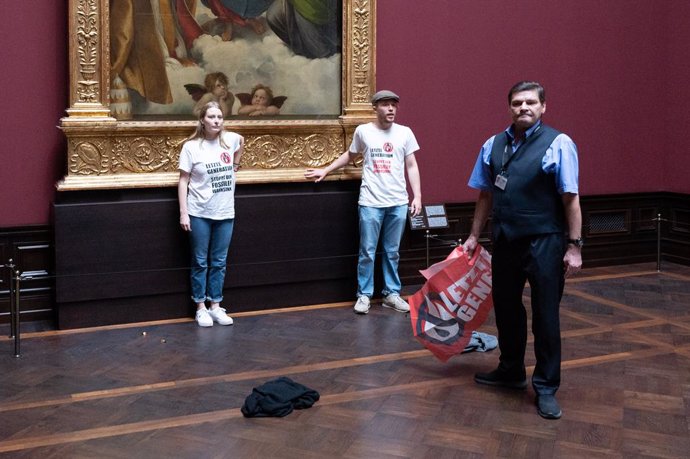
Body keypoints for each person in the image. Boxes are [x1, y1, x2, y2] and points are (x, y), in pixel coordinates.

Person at [462, 81, 582, 419]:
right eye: (517, 102)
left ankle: (546, 386)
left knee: (546, 316)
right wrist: (474, 235)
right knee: (507, 310)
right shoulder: (492, 144)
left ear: (544, 106)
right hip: (506, 241)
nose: (523, 107)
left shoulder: (558, 143)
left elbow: (570, 198)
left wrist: (574, 246)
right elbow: (485, 194)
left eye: (531, 102)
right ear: (509, 107)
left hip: (545, 241)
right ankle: (511, 371)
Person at [305, 90, 422, 315]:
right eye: (386, 105)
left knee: (392, 251)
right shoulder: (364, 131)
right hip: (370, 201)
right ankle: (364, 294)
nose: (391, 109)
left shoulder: (405, 133)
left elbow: (411, 165)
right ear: (375, 108)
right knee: (367, 251)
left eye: (394, 105)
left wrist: (417, 196)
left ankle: (391, 294)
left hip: (397, 201)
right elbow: (350, 155)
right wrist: (326, 170)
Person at [178, 101, 244, 327]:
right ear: (202, 121)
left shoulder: (231, 140)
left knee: (219, 261)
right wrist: (183, 213)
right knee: (200, 261)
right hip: (199, 212)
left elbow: (241, 143)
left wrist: (235, 166)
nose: (216, 120)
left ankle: (216, 305)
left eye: (220, 116)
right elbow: (183, 180)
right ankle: (200, 307)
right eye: (212, 117)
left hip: (225, 211)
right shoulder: (191, 147)